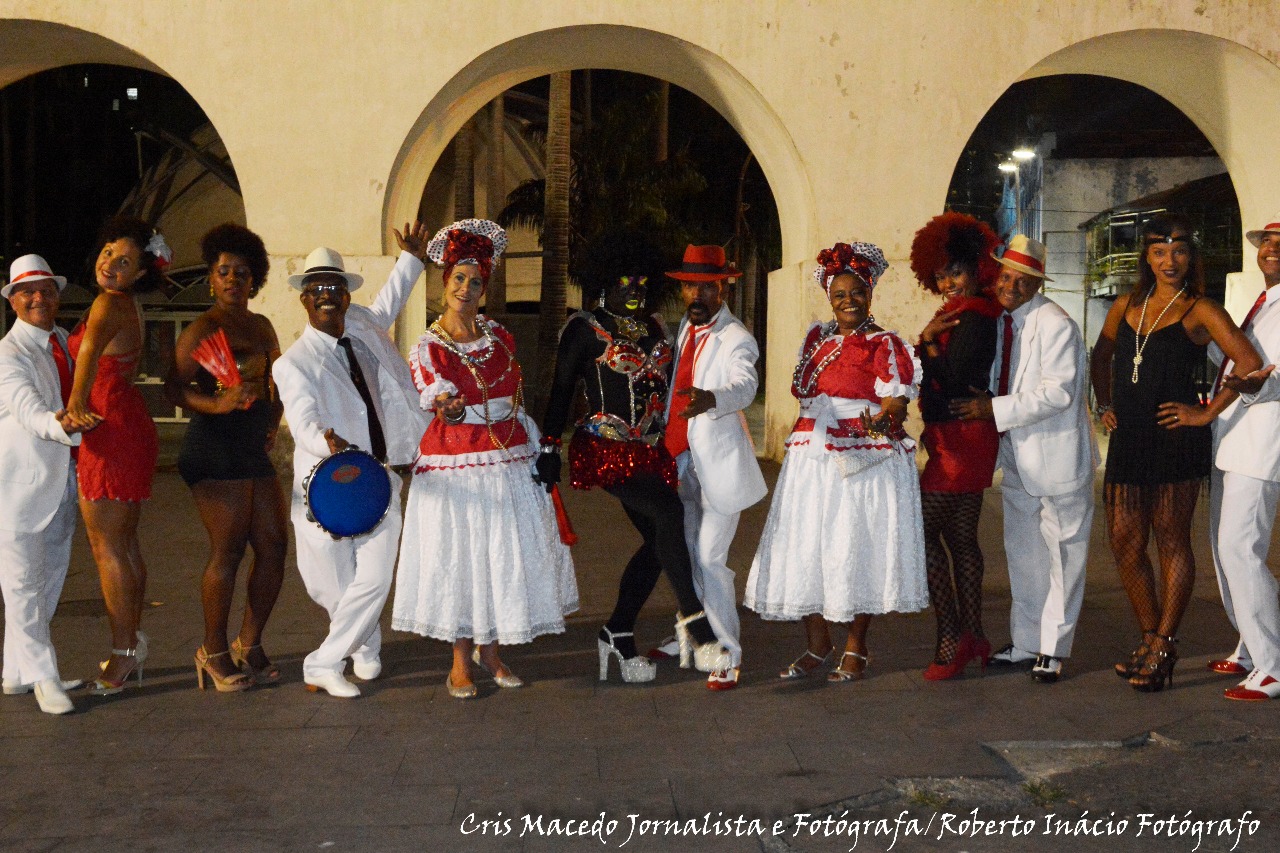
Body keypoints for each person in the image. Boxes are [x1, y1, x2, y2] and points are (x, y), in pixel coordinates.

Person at [392, 219, 578, 699]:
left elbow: (512, 390)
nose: (466, 288)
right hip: (459, 462)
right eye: (458, 278)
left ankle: (491, 652)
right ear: (444, 281)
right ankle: (459, 660)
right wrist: (447, 406)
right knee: (465, 557)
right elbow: (434, 394)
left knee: (501, 555)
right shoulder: (430, 346)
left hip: (511, 454)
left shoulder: (500, 336)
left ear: (485, 288)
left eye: (476, 281)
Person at [536, 233, 720, 684]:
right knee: (667, 511)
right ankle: (696, 622)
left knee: (660, 542)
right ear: (604, 282)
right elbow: (560, 391)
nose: (635, 290)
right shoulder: (584, 329)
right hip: (605, 446)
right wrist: (548, 448)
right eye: (625, 280)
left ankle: (617, 631)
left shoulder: (656, 327)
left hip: (649, 449)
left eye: (642, 281)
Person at [1090, 214, 1259, 692]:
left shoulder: (1200, 309)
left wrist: (1205, 413)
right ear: (1147, 256)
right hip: (1129, 436)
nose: (1170, 260)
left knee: (1170, 540)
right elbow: (1101, 356)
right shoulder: (1125, 305)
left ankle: (1165, 643)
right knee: (1124, 540)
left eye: (1180, 250)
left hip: (1175, 437)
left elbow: (1248, 363)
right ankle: (1148, 635)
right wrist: (1105, 402)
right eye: (1160, 251)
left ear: (1191, 256)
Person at [745, 241, 927, 683]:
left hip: (862, 459)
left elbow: (896, 402)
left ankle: (856, 645)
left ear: (870, 293)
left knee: (855, 546)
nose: (848, 301)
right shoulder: (816, 338)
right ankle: (817, 642)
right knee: (805, 546)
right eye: (839, 294)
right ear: (829, 297)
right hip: (810, 457)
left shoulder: (886, 343)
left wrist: (883, 422)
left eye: (857, 292)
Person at [273, 225, 432, 699]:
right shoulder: (294, 363)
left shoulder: (361, 323)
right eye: (317, 289)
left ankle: (322, 661)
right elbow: (301, 419)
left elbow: (388, 304)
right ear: (303, 300)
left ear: (345, 295)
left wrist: (412, 261)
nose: (327, 297)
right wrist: (325, 439)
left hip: (380, 476)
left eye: (335, 288)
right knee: (331, 586)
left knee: (377, 575)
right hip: (329, 483)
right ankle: (363, 646)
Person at [951, 235, 1098, 684]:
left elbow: (1058, 392)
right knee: (1024, 553)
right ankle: (1026, 641)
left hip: (1058, 460)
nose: (1010, 285)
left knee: (1063, 555)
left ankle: (1053, 649)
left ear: (1038, 285)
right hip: (1018, 454)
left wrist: (992, 409)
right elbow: (1007, 378)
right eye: (1006, 276)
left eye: (1023, 280)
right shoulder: (1005, 323)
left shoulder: (1055, 323)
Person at [166, 224, 288, 692]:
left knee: (275, 545)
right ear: (211, 279)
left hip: (251, 445)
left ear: (254, 279)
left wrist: (274, 418)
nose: (233, 279)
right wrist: (215, 403)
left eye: (242, 272)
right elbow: (175, 387)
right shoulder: (204, 327)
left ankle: (248, 643)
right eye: (224, 271)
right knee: (229, 550)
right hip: (213, 447)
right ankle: (213, 651)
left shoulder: (261, 326)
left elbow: (276, 381)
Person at [67, 217, 166, 695]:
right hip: (124, 422)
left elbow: (86, 358)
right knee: (123, 545)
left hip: (105, 425)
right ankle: (131, 644)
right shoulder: (126, 303)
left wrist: (74, 407)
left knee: (107, 547)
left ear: (138, 274)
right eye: (109, 253)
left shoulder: (108, 302)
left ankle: (124, 652)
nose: (111, 264)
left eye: (124, 262)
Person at [662, 244, 768, 690]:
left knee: (709, 557)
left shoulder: (736, 337)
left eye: (706, 286)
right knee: (686, 556)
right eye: (690, 286)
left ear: (722, 287)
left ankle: (728, 652)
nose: (697, 294)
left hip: (719, 469)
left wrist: (714, 399)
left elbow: (745, 385)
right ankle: (692, 633)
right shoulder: (685, 329)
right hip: (679, 459)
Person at [0, 255, 101, 714]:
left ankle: (15, 672)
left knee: (49, 578)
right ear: (14, 301)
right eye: (28, 292)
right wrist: (63, 423)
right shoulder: (8, 353)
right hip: (18, 489)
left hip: (65, 480)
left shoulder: (63, 340)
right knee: (22, 585)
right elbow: (27, 409)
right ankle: (45, 677)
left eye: (46, 290)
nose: (39, 298)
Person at [909, 213, 1002, 681]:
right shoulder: (964, 311)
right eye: (941, 275)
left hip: (962, 440)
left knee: (920, 532)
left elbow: (954, 377)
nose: (947, 282)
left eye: (956, 272)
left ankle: (953, 636)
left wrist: (924, 346)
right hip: (955, 436)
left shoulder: (978, 314)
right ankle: (976, 636)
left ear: (976, 269)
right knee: (960, 539)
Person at [1202, 213, 1280, 701]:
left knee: (1240, 549)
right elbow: (1236, 358)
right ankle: (1250, 646)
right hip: (1232, 438)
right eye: (1266, 242)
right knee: (1222, 549)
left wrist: (1256, 383)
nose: (1270, 249)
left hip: (1262, 444)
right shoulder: (1263, 302)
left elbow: (1266, 374)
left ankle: (1272, 665)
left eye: (1279, 244)